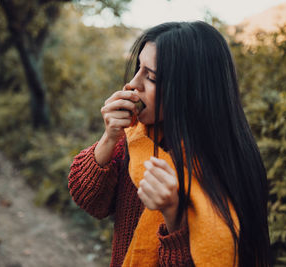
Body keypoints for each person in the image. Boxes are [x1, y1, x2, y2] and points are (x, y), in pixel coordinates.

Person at [68, 21, 270, 267]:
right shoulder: (138, 138)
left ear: (190, 89)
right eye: (138, 68)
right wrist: (109, 138)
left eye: (150, 77)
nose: (134, 83)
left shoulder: (230, 168)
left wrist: (173, 215)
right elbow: (89, 200)